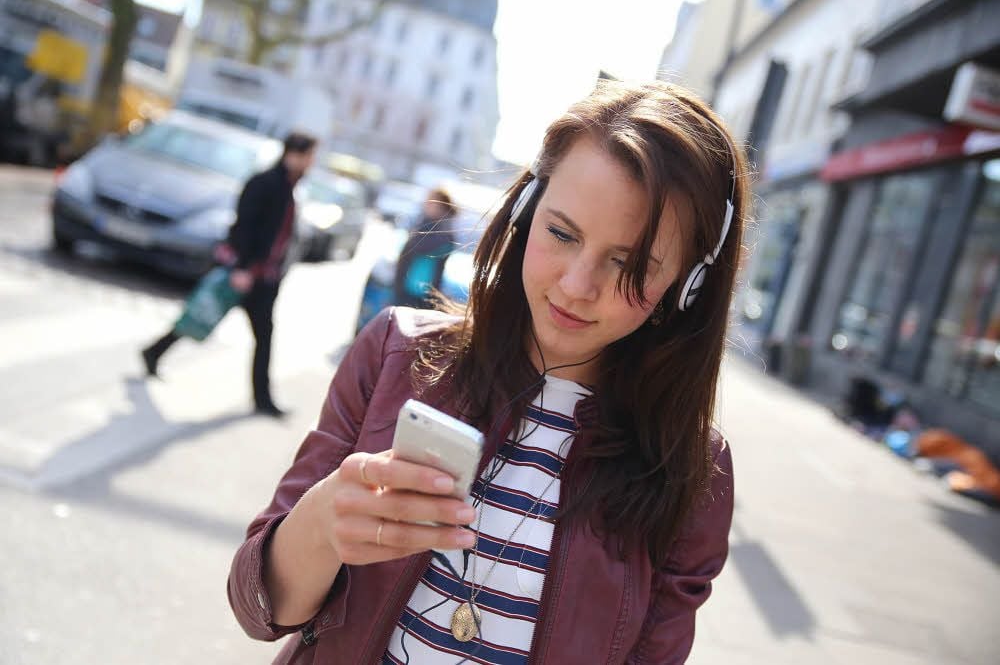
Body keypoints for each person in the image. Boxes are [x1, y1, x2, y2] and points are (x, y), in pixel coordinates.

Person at [228, 79, 746, 663]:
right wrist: (323, 521)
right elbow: (259, 606)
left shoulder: (692, 471)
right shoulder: (397, 355)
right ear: (526, 211)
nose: (577, 286)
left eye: (627, 262)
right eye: (561, 233)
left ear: (688, 287)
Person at [141, 131, 318, 418]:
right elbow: (244, 227)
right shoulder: (265, 182)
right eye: (309, 155)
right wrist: (243, 267)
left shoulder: (291, 187)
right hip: (247, 273)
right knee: (203, 315)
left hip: (265, 278)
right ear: (294, 154)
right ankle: (154, 351)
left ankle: (262, 398)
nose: (311, 162)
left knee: (261, 335)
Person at [392, 187, 458, 309]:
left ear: (442, 206)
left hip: (421, 294)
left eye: (432, 202)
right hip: (406, 289)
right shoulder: (424, 223)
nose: (427, 204)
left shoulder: (445, 231)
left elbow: (420, 247)